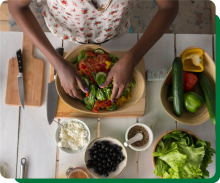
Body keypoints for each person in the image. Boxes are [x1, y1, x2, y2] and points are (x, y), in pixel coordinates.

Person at [9, 0, 179, 101]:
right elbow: (17, 6)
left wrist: (132, 58)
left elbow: (169, 6)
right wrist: (57, 63)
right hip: (61, 37)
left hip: (117, 35)